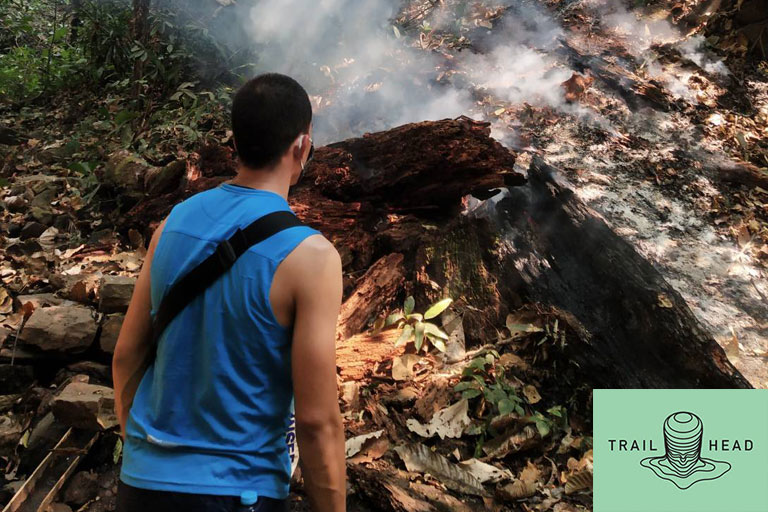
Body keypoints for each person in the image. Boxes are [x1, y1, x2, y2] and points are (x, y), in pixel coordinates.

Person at [112, 73, 346, 512]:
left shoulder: (172, 223)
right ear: (302, 147)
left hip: (140, 486)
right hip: (239, 494)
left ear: (234, 143)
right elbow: (316, 422)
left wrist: (142, 451)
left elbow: (126, 355)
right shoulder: (312, 257)